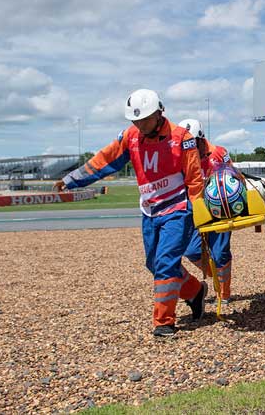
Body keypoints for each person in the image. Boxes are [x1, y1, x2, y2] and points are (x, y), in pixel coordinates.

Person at [54, 89, 207, 337]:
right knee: (153, 264)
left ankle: (164, 322)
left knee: (166, 263)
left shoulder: (182, 138)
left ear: (160, 112)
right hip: (149, 211)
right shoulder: (131, 136)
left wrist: (198, 213)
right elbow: (104, 161)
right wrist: (72, 179)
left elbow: (194, 178)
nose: (140, 124)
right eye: (136, 120)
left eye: (145, 119)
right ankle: (194, 292)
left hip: (178, 209)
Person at [178, 118, 235, 312]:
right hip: (196, 211)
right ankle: (216, 275)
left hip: (220, 210)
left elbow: (235, 176)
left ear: (202, 139)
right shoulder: (180, 156)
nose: (189, 148)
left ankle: (224, 293)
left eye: (193, 143)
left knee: (220, 254)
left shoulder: (219, 153)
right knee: (192, 250)